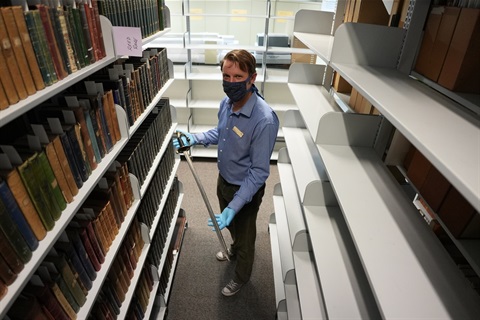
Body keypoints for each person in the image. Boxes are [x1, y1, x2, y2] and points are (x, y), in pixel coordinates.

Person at [173, 49, 279, 296]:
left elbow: (259, 172)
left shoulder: (264, 120)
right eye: (226, 76)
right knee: (232, 229)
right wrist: (195, 137)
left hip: (245, 190)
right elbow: (221, 133)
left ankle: (241, 277)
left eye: (238, 76)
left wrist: (236, 205)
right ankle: (233, 247)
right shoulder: (226, 103)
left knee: (245, 237)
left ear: (252, 78)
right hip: (224, 179)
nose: (231, 83)